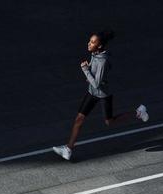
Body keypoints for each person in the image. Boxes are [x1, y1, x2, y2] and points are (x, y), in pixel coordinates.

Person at [52, 29, 149, 160]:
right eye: (90, 41)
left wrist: (85, 70)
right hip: (92, 92)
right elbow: (94, 71)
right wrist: (89, 69)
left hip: (103, 94)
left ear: (99, 46)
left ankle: (138, 113)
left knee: (109, 122)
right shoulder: (94, 54)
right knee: (79, 119)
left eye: (92, 42)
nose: (89, 44)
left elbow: (97, 83)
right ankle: (68, 149)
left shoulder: (103, 61)